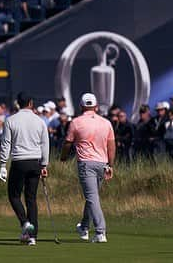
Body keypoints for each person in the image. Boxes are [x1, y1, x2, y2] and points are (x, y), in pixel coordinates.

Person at [60, 93, 115, 243]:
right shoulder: (106, 123)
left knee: (92, 197)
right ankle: (84, 227)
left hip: (86, 163)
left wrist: (63, 157)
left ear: (81, 106)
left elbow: (67, 142)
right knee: (92, 197)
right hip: (102, 163)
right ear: (96, 107)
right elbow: (111, 145)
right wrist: (110, 165)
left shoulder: (76, 122)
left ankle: (100, 232)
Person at [0, 91, 50, 246]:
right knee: (31, 199)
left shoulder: (11, 120)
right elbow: (45, 144)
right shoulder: (39, 121)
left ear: (17, 103)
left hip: (19, 162)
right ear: (31, 103)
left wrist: (2, 165)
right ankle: (32, 236)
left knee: (14, 196)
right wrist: (44, 164)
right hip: (35, 162)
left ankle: (25, 224)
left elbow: (6, 144)